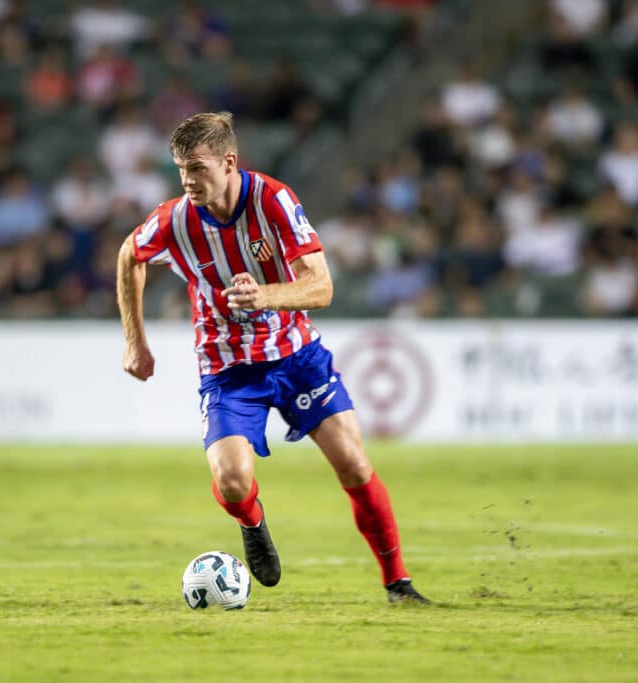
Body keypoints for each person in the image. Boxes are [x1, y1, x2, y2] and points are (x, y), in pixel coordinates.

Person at [115, 112, 430, 604]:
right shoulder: (175, 218)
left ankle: (399, 584)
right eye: (180, 169)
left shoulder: (274, 201)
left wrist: (265, 297)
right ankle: (252, 523)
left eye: (197, 168)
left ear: (229, 162)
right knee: (233, 480)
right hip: (228, 367)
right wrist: (136, 341)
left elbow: (322, 286)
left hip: (296, 355)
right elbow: (129, 256)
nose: (188, 181)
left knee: (352, 463)